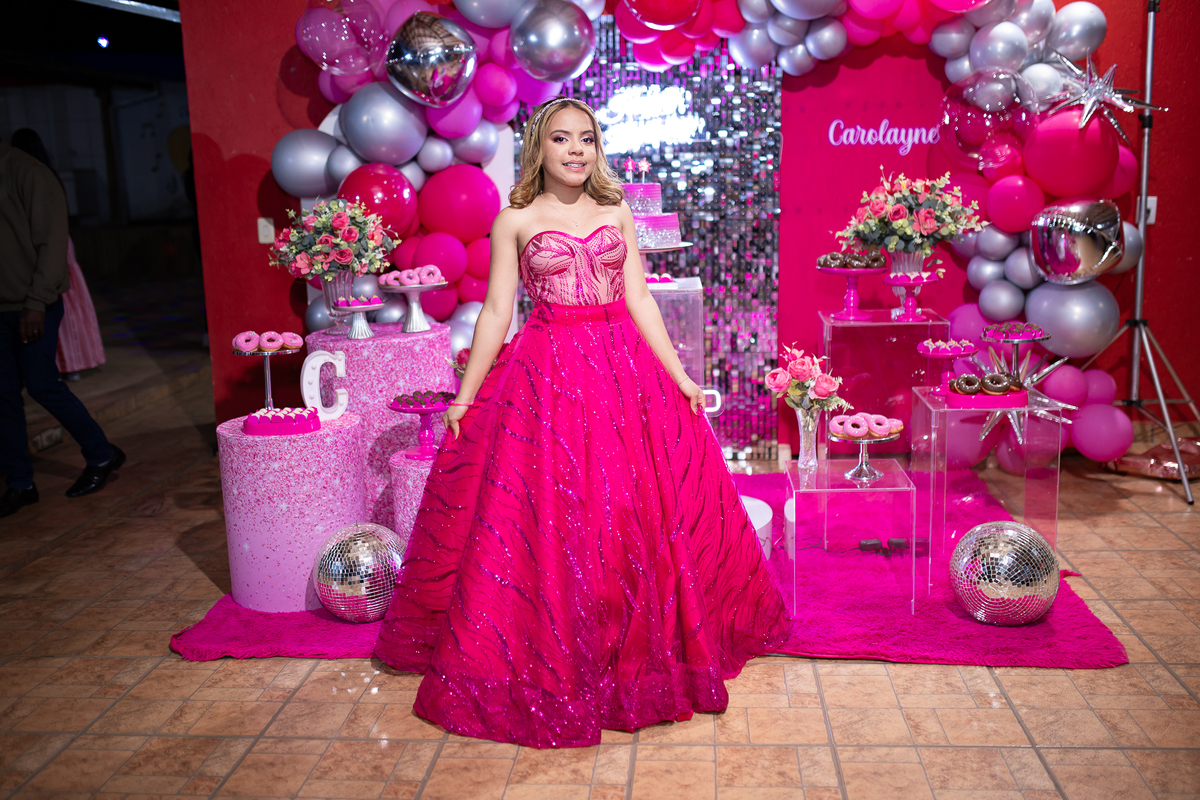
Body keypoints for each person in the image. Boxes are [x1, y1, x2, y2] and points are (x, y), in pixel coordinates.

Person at [374, 98, 790, 748]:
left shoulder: (615, 210)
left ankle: (632, 647)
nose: (575, 150)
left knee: (628, 506)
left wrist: (681, 375)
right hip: (549, 375)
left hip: (624, 371)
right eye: (562, 139)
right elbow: (496, 313)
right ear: (539, 148)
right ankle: (568, 647)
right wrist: (465, 395)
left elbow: (639, 296)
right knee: (560, 510)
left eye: (587, 139)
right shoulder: (515, 220)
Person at [0, 135, 125, 518]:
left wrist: (36, 303)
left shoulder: (28, 172)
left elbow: (52, 245)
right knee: (3, 396)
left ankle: (101, 455)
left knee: (41, 385)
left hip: (30, 304)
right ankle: (20, 484)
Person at [9, 129, 106, 378]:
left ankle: (67, 363)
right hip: (60, 242)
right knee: (67, 300)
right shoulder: (46, 174)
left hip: (51, 245)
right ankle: (72, 362)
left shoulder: (32, 175)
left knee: (56, 297)